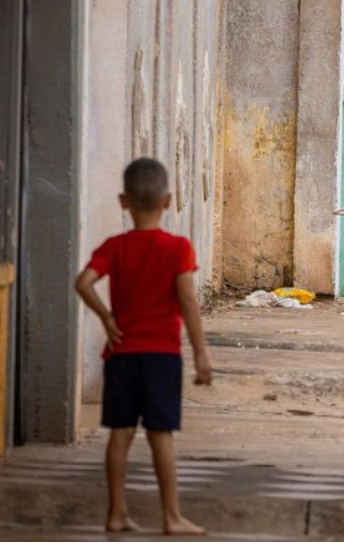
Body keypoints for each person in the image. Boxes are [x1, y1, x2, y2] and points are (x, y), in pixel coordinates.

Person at [73, 158, 212, 536]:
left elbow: (83, 282)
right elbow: (187, 301)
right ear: (167, 201)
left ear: (123, 201)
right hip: (160, 356)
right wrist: (200, 353)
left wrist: (106, 317)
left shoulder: (115, 247)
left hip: (121, 356)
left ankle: (116, 513)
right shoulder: (177, 248)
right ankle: (171, 517)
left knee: (120, 434)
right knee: (160, 437)